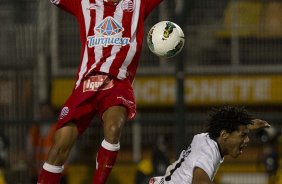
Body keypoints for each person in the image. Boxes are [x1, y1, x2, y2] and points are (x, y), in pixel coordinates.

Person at [37, 0, 165, 183]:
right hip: (86, 85)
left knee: (113, 128)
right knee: (60, 145)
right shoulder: (83, 3)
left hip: (116, 83)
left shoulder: (138, 3)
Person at [149, 105, 271, 184]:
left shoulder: (205, 138)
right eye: (243, 135)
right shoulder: (208, 152)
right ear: (224, 135)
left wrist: (246, 124)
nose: (247, 140)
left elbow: (227, 125)